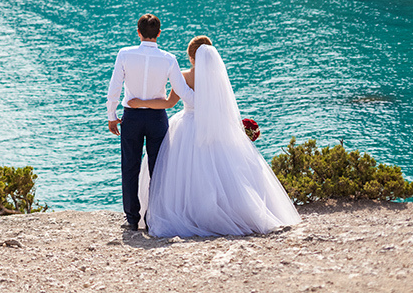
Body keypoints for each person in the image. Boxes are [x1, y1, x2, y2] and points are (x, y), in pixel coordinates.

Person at [129, 36, 301, 237]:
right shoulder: (217, 78)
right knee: (220, 172)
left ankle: (190, 212)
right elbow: (225, 108)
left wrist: (140, 102)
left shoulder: (183, 76)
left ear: (191, 58)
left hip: (186, 127)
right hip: (215, 127)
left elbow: (167, 103)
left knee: (183, 174)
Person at [105, 14, 195, 231]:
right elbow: (183, 91)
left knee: (130, 167)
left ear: (138, 32)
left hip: (132, 116)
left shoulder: (124, 54)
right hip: (157, 118)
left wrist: (111, 116)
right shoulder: (169, 59)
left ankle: (132, 219)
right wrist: (206, 106)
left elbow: (115, 86)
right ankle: (154, 217)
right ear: (159, 33)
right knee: (159, 168)